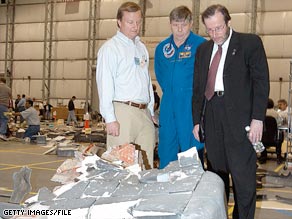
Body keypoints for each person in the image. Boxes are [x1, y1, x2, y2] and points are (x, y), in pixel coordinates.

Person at [192, 4, 269, 219]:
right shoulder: (203, 50)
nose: (214, 34)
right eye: (209, 30)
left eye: (218, 28)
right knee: (217, 178)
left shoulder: (249, 43)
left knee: (243, 181)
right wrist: (197, 121)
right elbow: (198, 88)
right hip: (212, 116)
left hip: (241, 119)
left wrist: (258, 119)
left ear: (228, 22)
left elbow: (261, 82)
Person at [96, 1, 156, 169]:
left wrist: (150, 110)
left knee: (146, 167)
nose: (135, 26)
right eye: (130, 22)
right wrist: (110, 118)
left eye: (138, 22)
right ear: (119, 22)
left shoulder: (141, 47)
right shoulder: (110, 48)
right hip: (122, 112)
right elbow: (105, 84)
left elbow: (146, 80)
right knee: (120, 167)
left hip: (143, 113)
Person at [154, 6, 206, 169]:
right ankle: (166, 187)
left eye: (183, 25)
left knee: (190, 148)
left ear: (191, 23)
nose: (180, 29)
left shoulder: (201, 45)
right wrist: (172, 91)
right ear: (170, 24)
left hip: (190, 104)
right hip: (169, 102)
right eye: (176, 25)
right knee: (166, 145)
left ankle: (192, 187)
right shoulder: (162, 48)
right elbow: (160, 75)